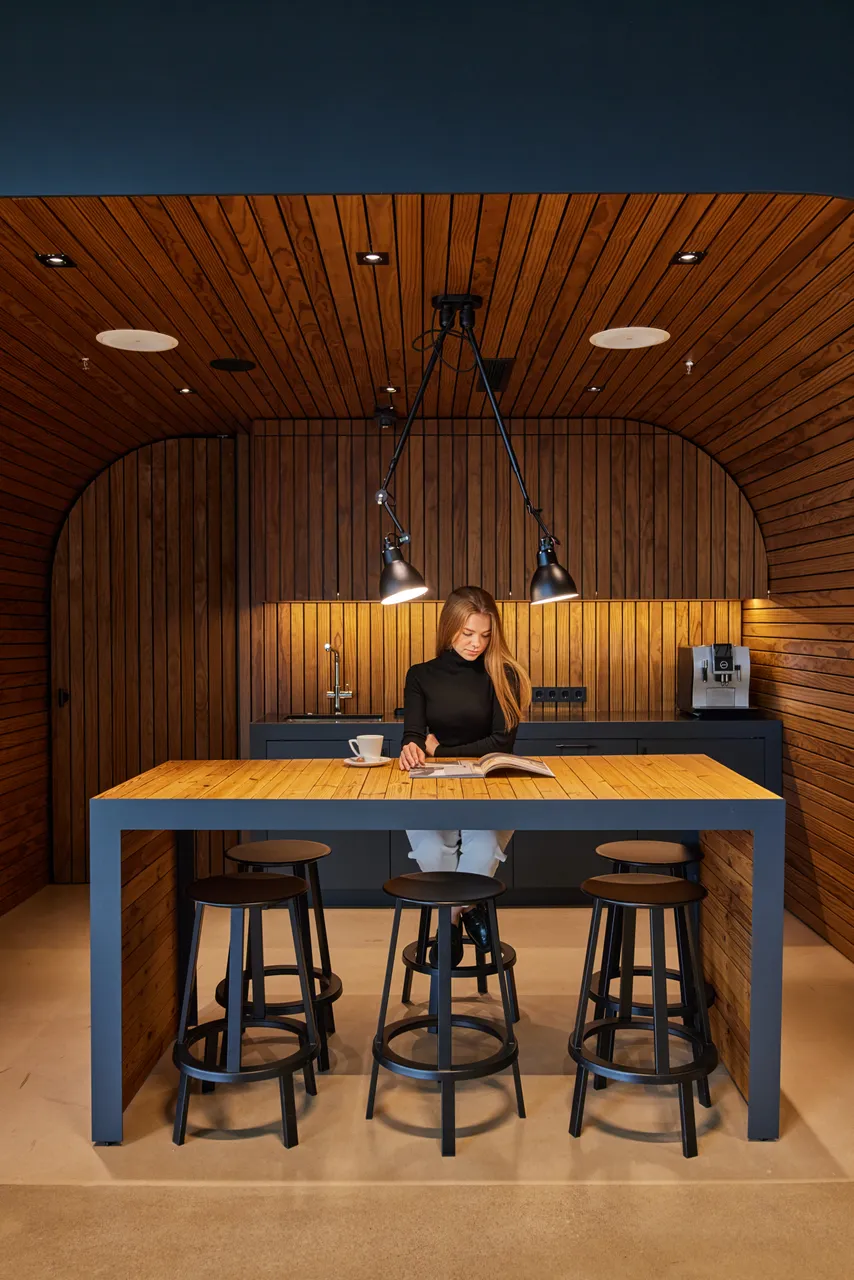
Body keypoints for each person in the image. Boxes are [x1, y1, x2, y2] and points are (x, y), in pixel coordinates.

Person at [399, 585, 532, 964]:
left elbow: (500, 744)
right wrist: (412, 747)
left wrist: (439, 751)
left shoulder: (501, 673)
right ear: (449, 629)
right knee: (430, 847)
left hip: (490, 784)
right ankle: (470, 911)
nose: (477, 643)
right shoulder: (420, 676)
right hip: (432, 785)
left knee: (486, 845)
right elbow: (413, 733)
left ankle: (449, 920)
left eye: (485, 635)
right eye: (468, 634)